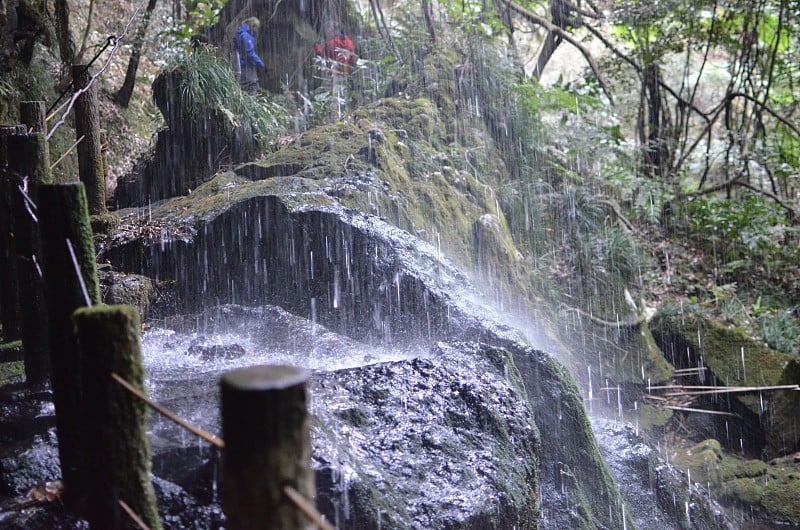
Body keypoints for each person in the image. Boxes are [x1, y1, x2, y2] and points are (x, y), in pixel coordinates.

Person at [233, 17, 266, 92]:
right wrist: (261, 64)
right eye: (257, 28)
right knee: (253, 85)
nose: (257, 30)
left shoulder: (242, 33)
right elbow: (249, 53)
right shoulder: (245, 36)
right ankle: (251, 102)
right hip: (245, 66)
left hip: (241, 66)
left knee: (245, 86)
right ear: (253, 26)